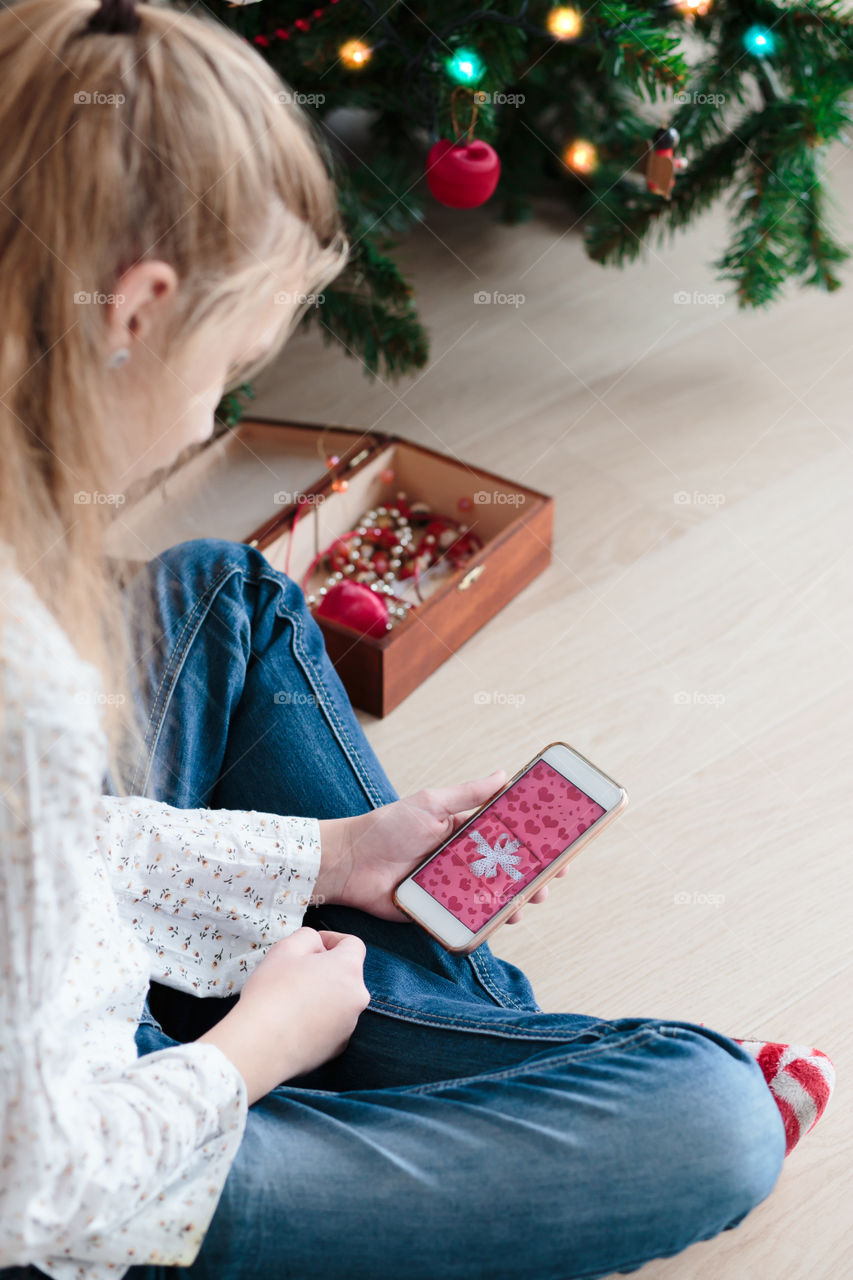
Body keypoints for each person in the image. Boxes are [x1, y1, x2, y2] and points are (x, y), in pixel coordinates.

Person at [0, 1, 834, 1278]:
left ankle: (410, 1090)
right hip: (89, 1188)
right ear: (136, 308)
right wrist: (261, 1045)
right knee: (710, 1119)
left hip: (68, 985)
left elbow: (51, 844)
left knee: (219, 592)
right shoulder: (29, 681)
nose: (206, 417)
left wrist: (332, 855)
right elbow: (45, 1186)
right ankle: (430, 1099)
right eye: (222, 369)